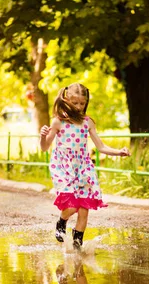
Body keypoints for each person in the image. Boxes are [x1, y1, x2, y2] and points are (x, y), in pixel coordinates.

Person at [40, 83, 130, 249]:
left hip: (83, 167)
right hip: (64, 167)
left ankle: (77, 244)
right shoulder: (58, 122)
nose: (79, 107)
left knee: (84, 209)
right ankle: (62, 221)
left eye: (82, 103)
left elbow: (101, 146)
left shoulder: (88, 122)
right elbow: (45, 147)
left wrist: (119, 152)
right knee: (72, 206)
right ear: (67, 100)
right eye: (75, 103)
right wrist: (42, 137)